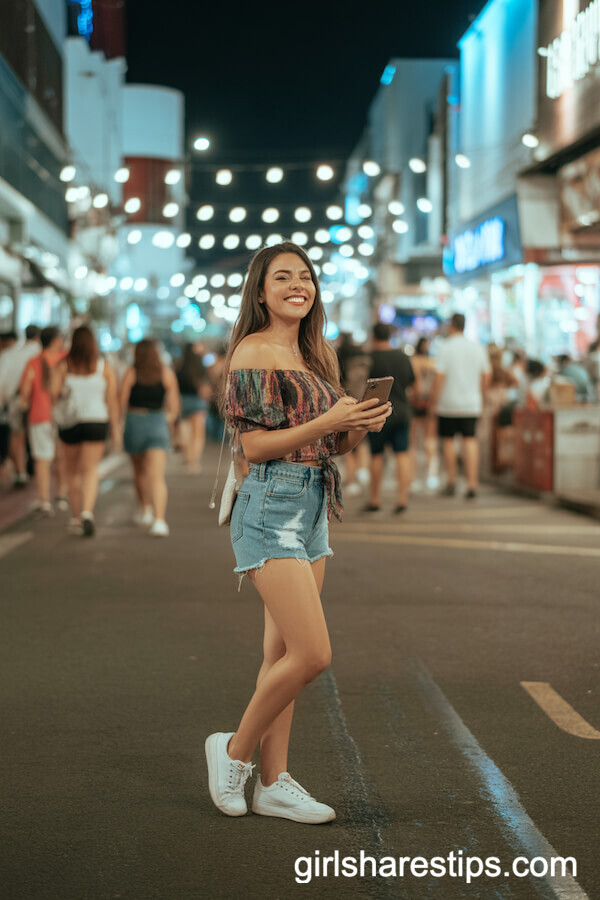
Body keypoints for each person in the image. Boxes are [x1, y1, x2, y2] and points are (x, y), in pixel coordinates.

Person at [205, 241, 391, 824]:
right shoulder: (253, 352)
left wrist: (358, 424)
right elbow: (255, 446)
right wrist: (331, 417)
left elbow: (332, 444)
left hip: (313, 504)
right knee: (313, 653)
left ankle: (274, 782)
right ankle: (232, 752)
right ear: (260, 290)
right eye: (282, 277)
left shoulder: (317, 355)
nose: (297, 285)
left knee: (281, 653)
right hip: (269, 505)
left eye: (305, 277)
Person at [52, 326, 120, 536]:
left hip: (71, 423)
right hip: (96, 421)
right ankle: (87, 512)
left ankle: (75, 517)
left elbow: (53, 393)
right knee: (90, 470)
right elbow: (111, 402)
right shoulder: (103, 367)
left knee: (72, 472)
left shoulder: (64, 366)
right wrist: (116, 430)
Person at [120, 339, 180, 537]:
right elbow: (174, 406)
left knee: (139, 472)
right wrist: (169, 425)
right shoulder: (166, 374)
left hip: (135, 421)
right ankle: (160, 521)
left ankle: (145, 509)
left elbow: (122, 402)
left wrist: (118, 426)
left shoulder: (131, 373)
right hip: (157, 423)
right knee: (157, 476)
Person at [430, 313, 491, 499]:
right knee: (469, 440)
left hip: (448, 404)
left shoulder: (445, 347)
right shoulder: (477, 348)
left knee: (448, 441)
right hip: (471, 404)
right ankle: (472, 484)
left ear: (452, 326)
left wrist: (433, 400)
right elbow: (486, 375)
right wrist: (479, 394)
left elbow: (439, 376)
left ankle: (451, 482)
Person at [362, 323, 415, 513]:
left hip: (377, 412)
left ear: (374, 337)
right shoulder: (403, 357)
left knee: (376, 455)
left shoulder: (369, 358)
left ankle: (375, 499)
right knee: (402, 453)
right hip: (401, 411)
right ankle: (402, 499)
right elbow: (412, 384)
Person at [19, 326, 67, 514]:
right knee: (61, 456)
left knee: (42, 459)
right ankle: (62, 493)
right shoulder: (66, 359)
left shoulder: (33, 362)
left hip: (39, 415)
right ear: (55, 341)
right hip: (63, 417)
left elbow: (24, 392)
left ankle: (44, 499)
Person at [0, 326, 41, 486]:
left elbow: (2, 381)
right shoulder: (42, 352)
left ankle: (21, 472)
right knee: (38, 435)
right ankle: (39, 468)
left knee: (17, 435)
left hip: (16, 400)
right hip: (39, 400)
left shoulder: (10, 355)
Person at [335, 333, 371, 495]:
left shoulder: (339, 354)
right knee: (361, 440)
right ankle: (362, 470)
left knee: (345, 440)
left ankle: (351, 481)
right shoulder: (363, 356)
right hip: (363, 399)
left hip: (346, 401)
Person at [409, 336, 438, 490]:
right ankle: (431, 475)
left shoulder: (413, 362)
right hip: (429, 402)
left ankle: (413, 477)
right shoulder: (432, 363)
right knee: (429, 440)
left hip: (415, 402)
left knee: (413, 442)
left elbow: (413, 385)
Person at [176, 342, 210, 473]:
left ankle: (188, 457)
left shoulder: (179, 368)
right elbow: (206, 385)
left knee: (187, 432)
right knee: (198, 434)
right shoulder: (200, 366)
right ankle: (195, 460)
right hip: (197, 402)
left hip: (183, 401)